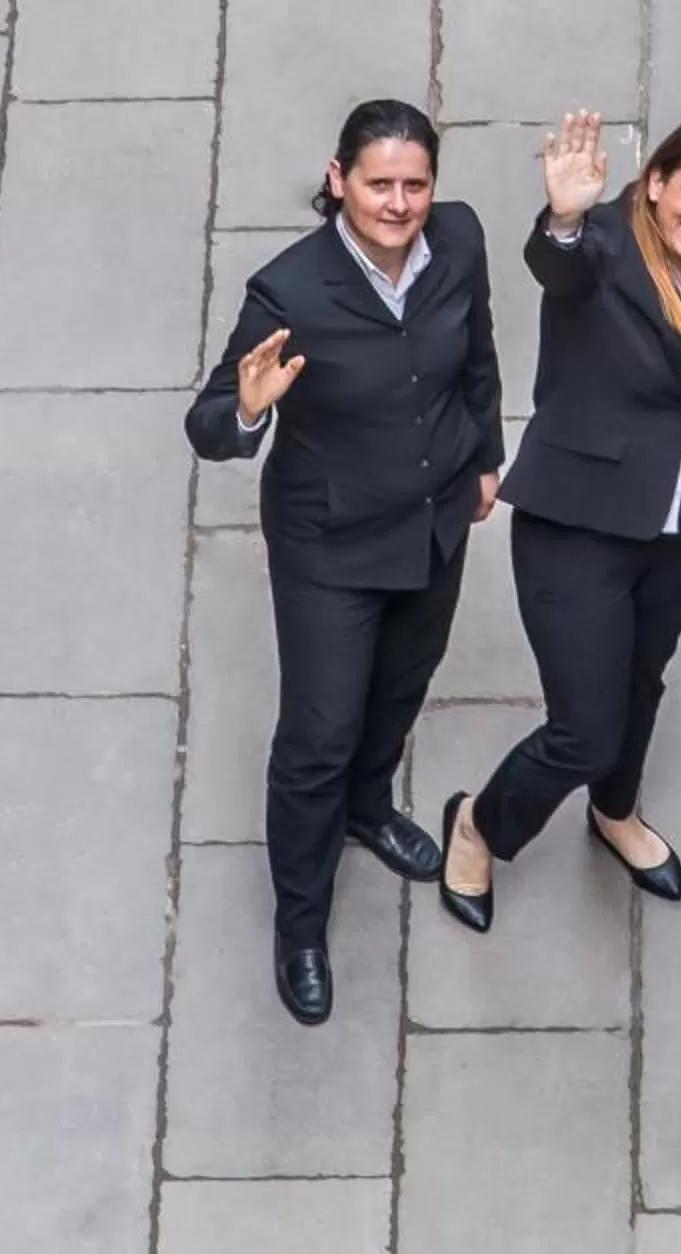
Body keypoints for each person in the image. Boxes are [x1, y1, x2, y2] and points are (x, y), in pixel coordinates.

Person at [184, 99, 504, 1026]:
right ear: (338, 181)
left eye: (415, 184)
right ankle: (301, 921)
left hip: (437, 521)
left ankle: (369, 808)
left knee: (400, 692)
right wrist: (246, 409)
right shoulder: (289, 292)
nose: (399, 203)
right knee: (318, 735)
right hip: (331, 544)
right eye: (378, 184)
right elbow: (207, 428)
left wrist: (483, 456)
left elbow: (476, 353)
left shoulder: (461, 240)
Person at [435, 112, 681, 931]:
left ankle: (614, 812)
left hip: (675, 524)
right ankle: (480, 823)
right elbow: (559, 263)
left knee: (640, 684)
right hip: (577, 526)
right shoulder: (607, 244)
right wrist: (562, 215)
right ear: (654, 184)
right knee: (584, 731)